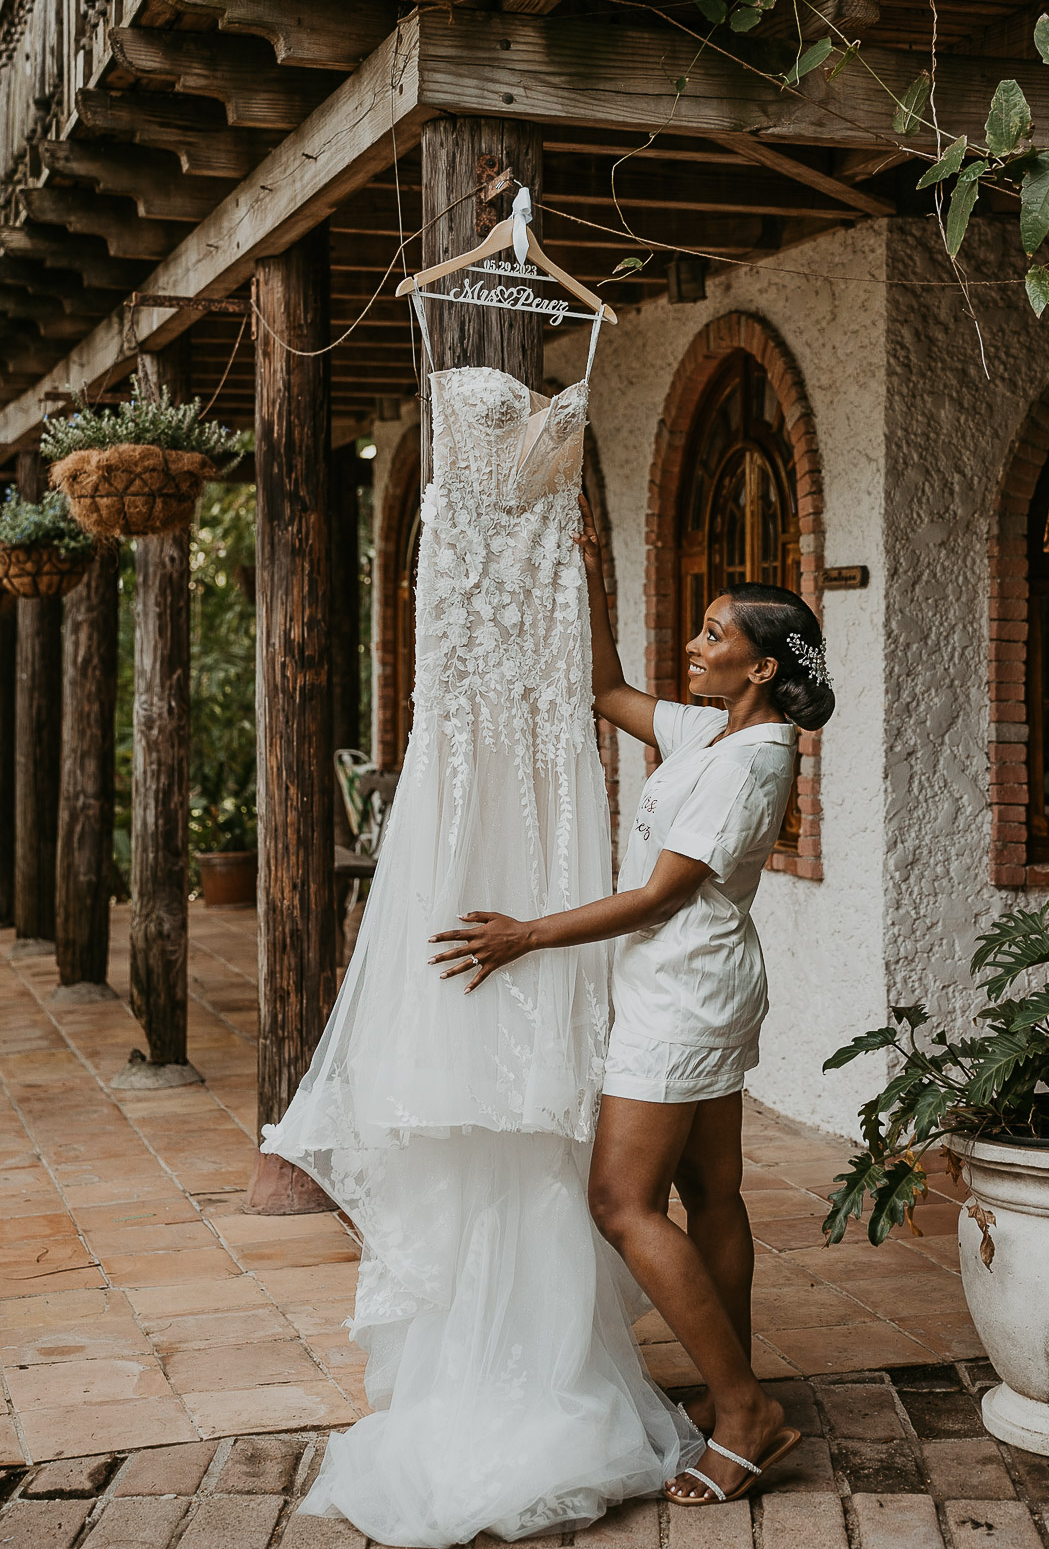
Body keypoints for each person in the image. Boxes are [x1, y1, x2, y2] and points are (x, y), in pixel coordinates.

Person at [262, 306, 700, 1548]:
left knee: (538, 1072)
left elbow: (601, 682)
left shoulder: (558, 463)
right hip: (469, 732)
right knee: (465, 1019)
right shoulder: (448, 469)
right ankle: (495, 1367)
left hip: (545, 742)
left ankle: (540, 1363)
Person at [431, 495, 835, 1507]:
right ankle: (731, 1387)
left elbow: (660, 894)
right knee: (712, 1194)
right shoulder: (708, 730)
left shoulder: (751, 764)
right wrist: (588, 570)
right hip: (697, 984)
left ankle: (745, 1412)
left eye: (713, 635)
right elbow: (605, 688)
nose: (693, 646)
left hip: (684, 995)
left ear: (764, 670)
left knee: (621, 1202)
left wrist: (526, 934)